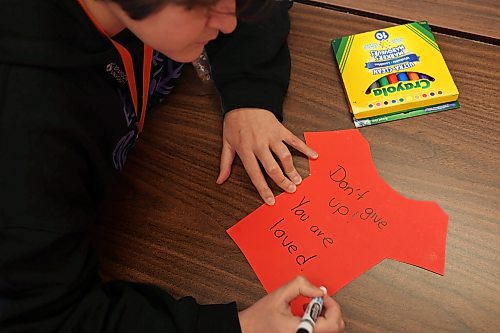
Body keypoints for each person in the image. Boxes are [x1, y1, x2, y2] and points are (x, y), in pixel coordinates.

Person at [0, 0, 345, 332]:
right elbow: (45, 318)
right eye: (202, 4)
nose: (230, 21)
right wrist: (240, 327)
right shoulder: (28, 132)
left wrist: (249, 96)